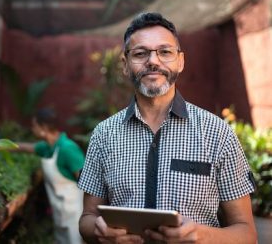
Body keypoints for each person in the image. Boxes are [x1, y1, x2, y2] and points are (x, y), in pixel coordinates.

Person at [77, 12, 257, 243]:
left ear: (180, 61)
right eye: (141, 53)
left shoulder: (217, 133)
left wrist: (200, 235)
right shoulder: (104, 134)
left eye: (165, 52)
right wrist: (99, 231)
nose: (153, 61)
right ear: (125, 64)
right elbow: (87, 218)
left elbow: (247, 234)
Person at [17, 108, 85, 244]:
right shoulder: (48, 147)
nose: (32, 129)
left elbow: (86, 181)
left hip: (74, 213)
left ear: (43, 128)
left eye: (34, 126)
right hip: (59, 210)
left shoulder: (67, 148)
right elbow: (26, 147)